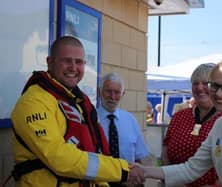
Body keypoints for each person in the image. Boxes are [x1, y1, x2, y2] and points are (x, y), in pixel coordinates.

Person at [10, 36, 143, 187]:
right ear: (50, 62)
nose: (73, 68)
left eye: (79, 62)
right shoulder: (33, 102)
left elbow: (92, 154)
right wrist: (121, 170)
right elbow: (59, 158)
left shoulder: (78, 103)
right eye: (66, 60)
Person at [133, 59, 222, 187]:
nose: (219, 93)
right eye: (215, 86)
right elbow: (192, 168)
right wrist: (145, 171)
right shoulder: (220, 125)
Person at [161, 63, 221, 187]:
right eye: (195, 83)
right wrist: (170, 179)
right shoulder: (179, 117)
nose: (199, 88)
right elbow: (165, 151)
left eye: (205, 83)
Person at [97, 72, 149, 186]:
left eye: (117, 92)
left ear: (123, 94)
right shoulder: (90, 119)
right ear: (99, 91)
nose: (112, 97)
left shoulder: (130, 120)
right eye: (108, 91)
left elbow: (138, 158)